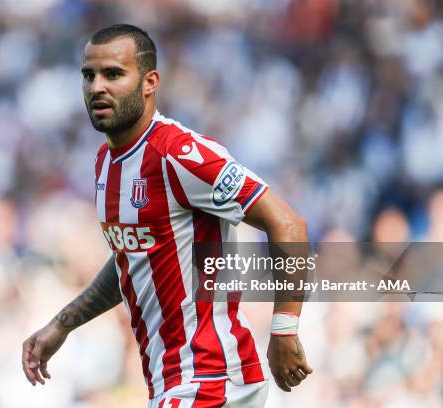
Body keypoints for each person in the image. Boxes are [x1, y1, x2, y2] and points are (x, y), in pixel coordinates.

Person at [22, 24, 312, 407]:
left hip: (211, 379)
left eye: (113, 74)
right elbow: (134, 258)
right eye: (88, 76)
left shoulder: (180, 154)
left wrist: (285, 329)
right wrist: (64, 323)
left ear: (149, 82)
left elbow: (288, 223)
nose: (96, 87)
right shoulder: (105, 164)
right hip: (173, 384)